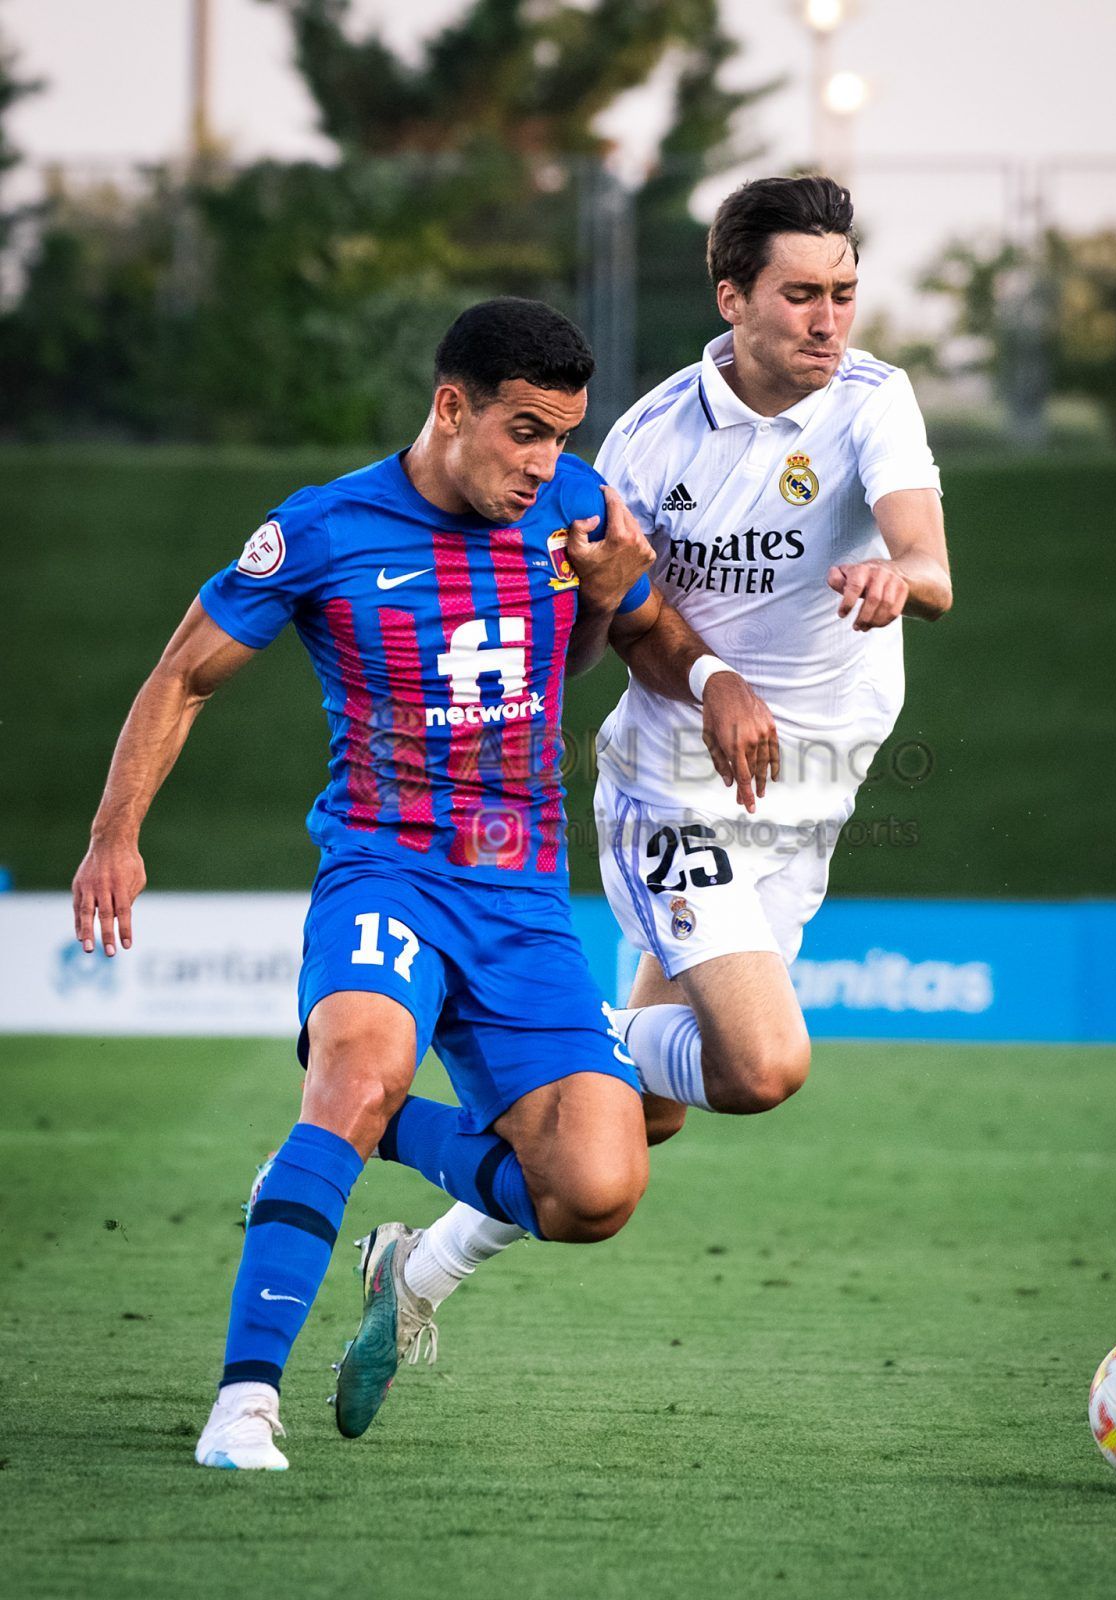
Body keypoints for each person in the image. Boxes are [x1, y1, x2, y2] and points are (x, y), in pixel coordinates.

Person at [72, 296, 776, 1470]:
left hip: (520, 900)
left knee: (594, 1191)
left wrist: (698, 669)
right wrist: (114, 833)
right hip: (384, 871)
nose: (542, 462)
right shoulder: (324, 529)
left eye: (560, 435)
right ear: (451, 408)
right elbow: (183, 676)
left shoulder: (574, 506)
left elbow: (640, 631)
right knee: (356, 1070)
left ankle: (371, 1142)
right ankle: (243, 1402)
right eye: (523, 431)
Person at [363, 175, 952, 1415]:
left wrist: (895, 577)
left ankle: (415, 1266)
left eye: (844, 293)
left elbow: (929, 564)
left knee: (644, 1120)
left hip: (810, 799)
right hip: (675, 785)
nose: (828, 320)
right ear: (731, 297)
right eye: (800, 294)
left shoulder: (872, 401)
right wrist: (671, 644)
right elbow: (608, 633)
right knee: (759, 1066)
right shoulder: (644, 442)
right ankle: (537, 1035)